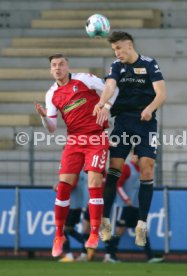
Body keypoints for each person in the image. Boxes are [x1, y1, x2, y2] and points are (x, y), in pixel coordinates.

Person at [35, 53, 118, 257]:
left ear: (67, 66)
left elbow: (112, 88)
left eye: (61, 64)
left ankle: (94, 234)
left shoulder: (84, 79)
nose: (58, 68)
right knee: (63, 187)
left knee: (94, 185)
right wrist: (45, 118)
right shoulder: (52, 94)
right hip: (74, 140)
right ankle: (58, 236)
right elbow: (52, 127)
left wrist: (106, 106)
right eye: (54, 65)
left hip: (96, 137)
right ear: (50, 69)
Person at [93, 31, 167, 247]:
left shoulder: (149, 63)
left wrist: (150, 109)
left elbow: (161, 93)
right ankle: (105, 220)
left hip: (145, 122)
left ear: (129, 45)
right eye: (114, 49)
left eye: (118, 48)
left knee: (147, 169)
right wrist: (103, 103)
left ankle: (142, 225)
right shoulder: (116, 66)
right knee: (114, 170)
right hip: (124, 121)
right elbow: (109, 86)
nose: (116, 53)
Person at [103, 153, 164, 263]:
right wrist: (126, 199)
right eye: (137, 156)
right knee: (120, 230)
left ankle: (150, 256)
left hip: (136, 205)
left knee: (142, 229)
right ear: (132, 156)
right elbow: (118, 185)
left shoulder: (143, 169)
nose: (139, 158)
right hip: (125, 205)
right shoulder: (127, 168)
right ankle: (110, 255)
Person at [57, 171, 89, 262]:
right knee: (69, 229)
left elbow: (71, 184)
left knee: (62, 230)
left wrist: (57, 187)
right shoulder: (82, 172)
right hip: (77, 205)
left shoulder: (74, 171)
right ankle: (86, 243)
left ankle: (69, 255)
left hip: (71, 205)